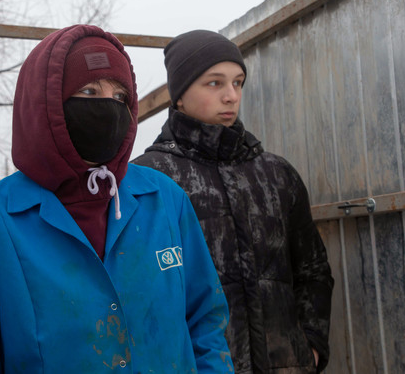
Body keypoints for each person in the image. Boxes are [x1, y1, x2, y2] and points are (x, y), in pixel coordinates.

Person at [0, 24, 233, 373]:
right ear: (47, 103)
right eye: (89, 91)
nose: (108, 107)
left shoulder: (165, 200)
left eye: (120, 97)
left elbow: (206, 323)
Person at [133, 29, 334, 373]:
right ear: (179, 96)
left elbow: (313, 270)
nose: (231, 96)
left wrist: (310, 347)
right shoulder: (148, 180)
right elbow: (138, 292)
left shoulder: (276, 174)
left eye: (238, 82)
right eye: (214, 83)